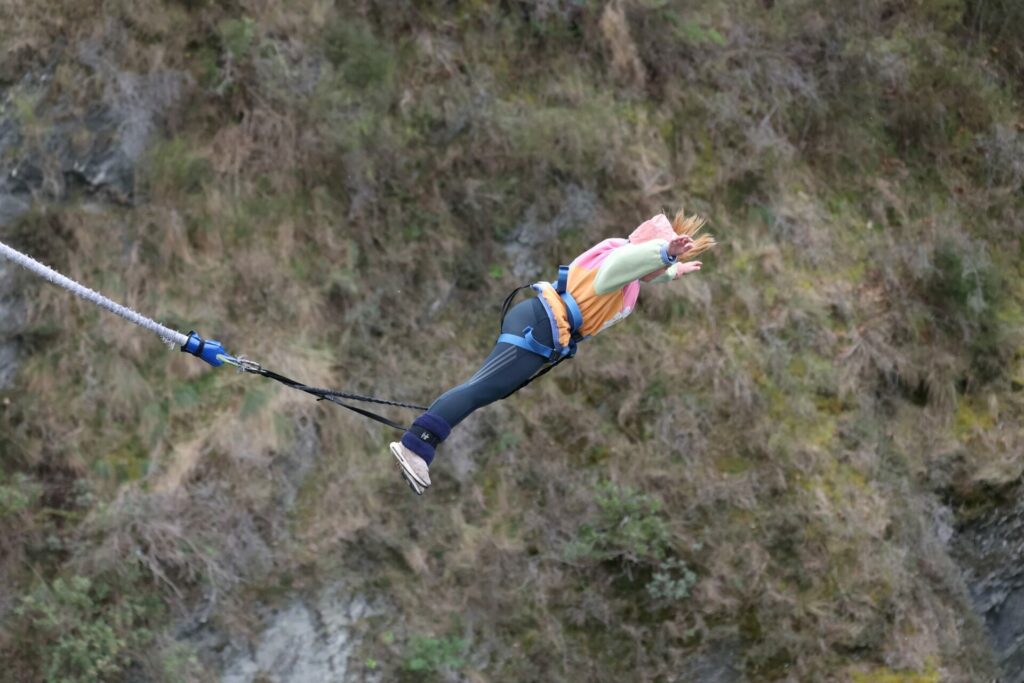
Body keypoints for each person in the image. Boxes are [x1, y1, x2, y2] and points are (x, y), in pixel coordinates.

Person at [390, 210, 716, 494]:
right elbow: (631, 263)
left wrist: (672, 270)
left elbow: (642, 271)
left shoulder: (622, 259)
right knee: (479, 390)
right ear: (648, 252)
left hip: (540, 325)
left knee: (484, 390)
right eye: (656, 261)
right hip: (540, 328)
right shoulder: (616, 268)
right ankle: (416, 445)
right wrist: (666, 253)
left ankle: (423, 438)